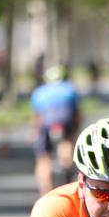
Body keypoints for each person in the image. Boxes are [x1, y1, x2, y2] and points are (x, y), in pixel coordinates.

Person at [30, 65, 80, 196]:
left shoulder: (39, 92)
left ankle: (45, 193)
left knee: (43, 157)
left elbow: (37, 117)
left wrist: (35, 132)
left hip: (46, 122)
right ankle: (69, 175)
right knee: (66, 144)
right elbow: (76, 114)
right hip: (65, 120)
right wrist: (74, 133)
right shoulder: (70, 89)